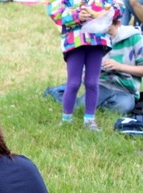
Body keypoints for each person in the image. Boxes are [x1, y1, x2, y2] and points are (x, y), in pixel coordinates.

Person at [47, 0, 124, 132]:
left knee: (92, 82)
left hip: (97, 42)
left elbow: (119, 9)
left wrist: (104, 13)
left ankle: (89, 119)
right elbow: (55, 12)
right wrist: (77, 16)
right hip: (75, 42)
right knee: (73, 82)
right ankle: (66, 119)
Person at [44, 19, 143, 115]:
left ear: (117, 24)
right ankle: (58, 92)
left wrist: (120, 67)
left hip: (125, 91)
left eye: (107, 31)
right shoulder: (94, 37)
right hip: (100, 86)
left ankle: (72, 95)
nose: (104, 36)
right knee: (82, 107)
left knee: (122, 107)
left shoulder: (135, 39)